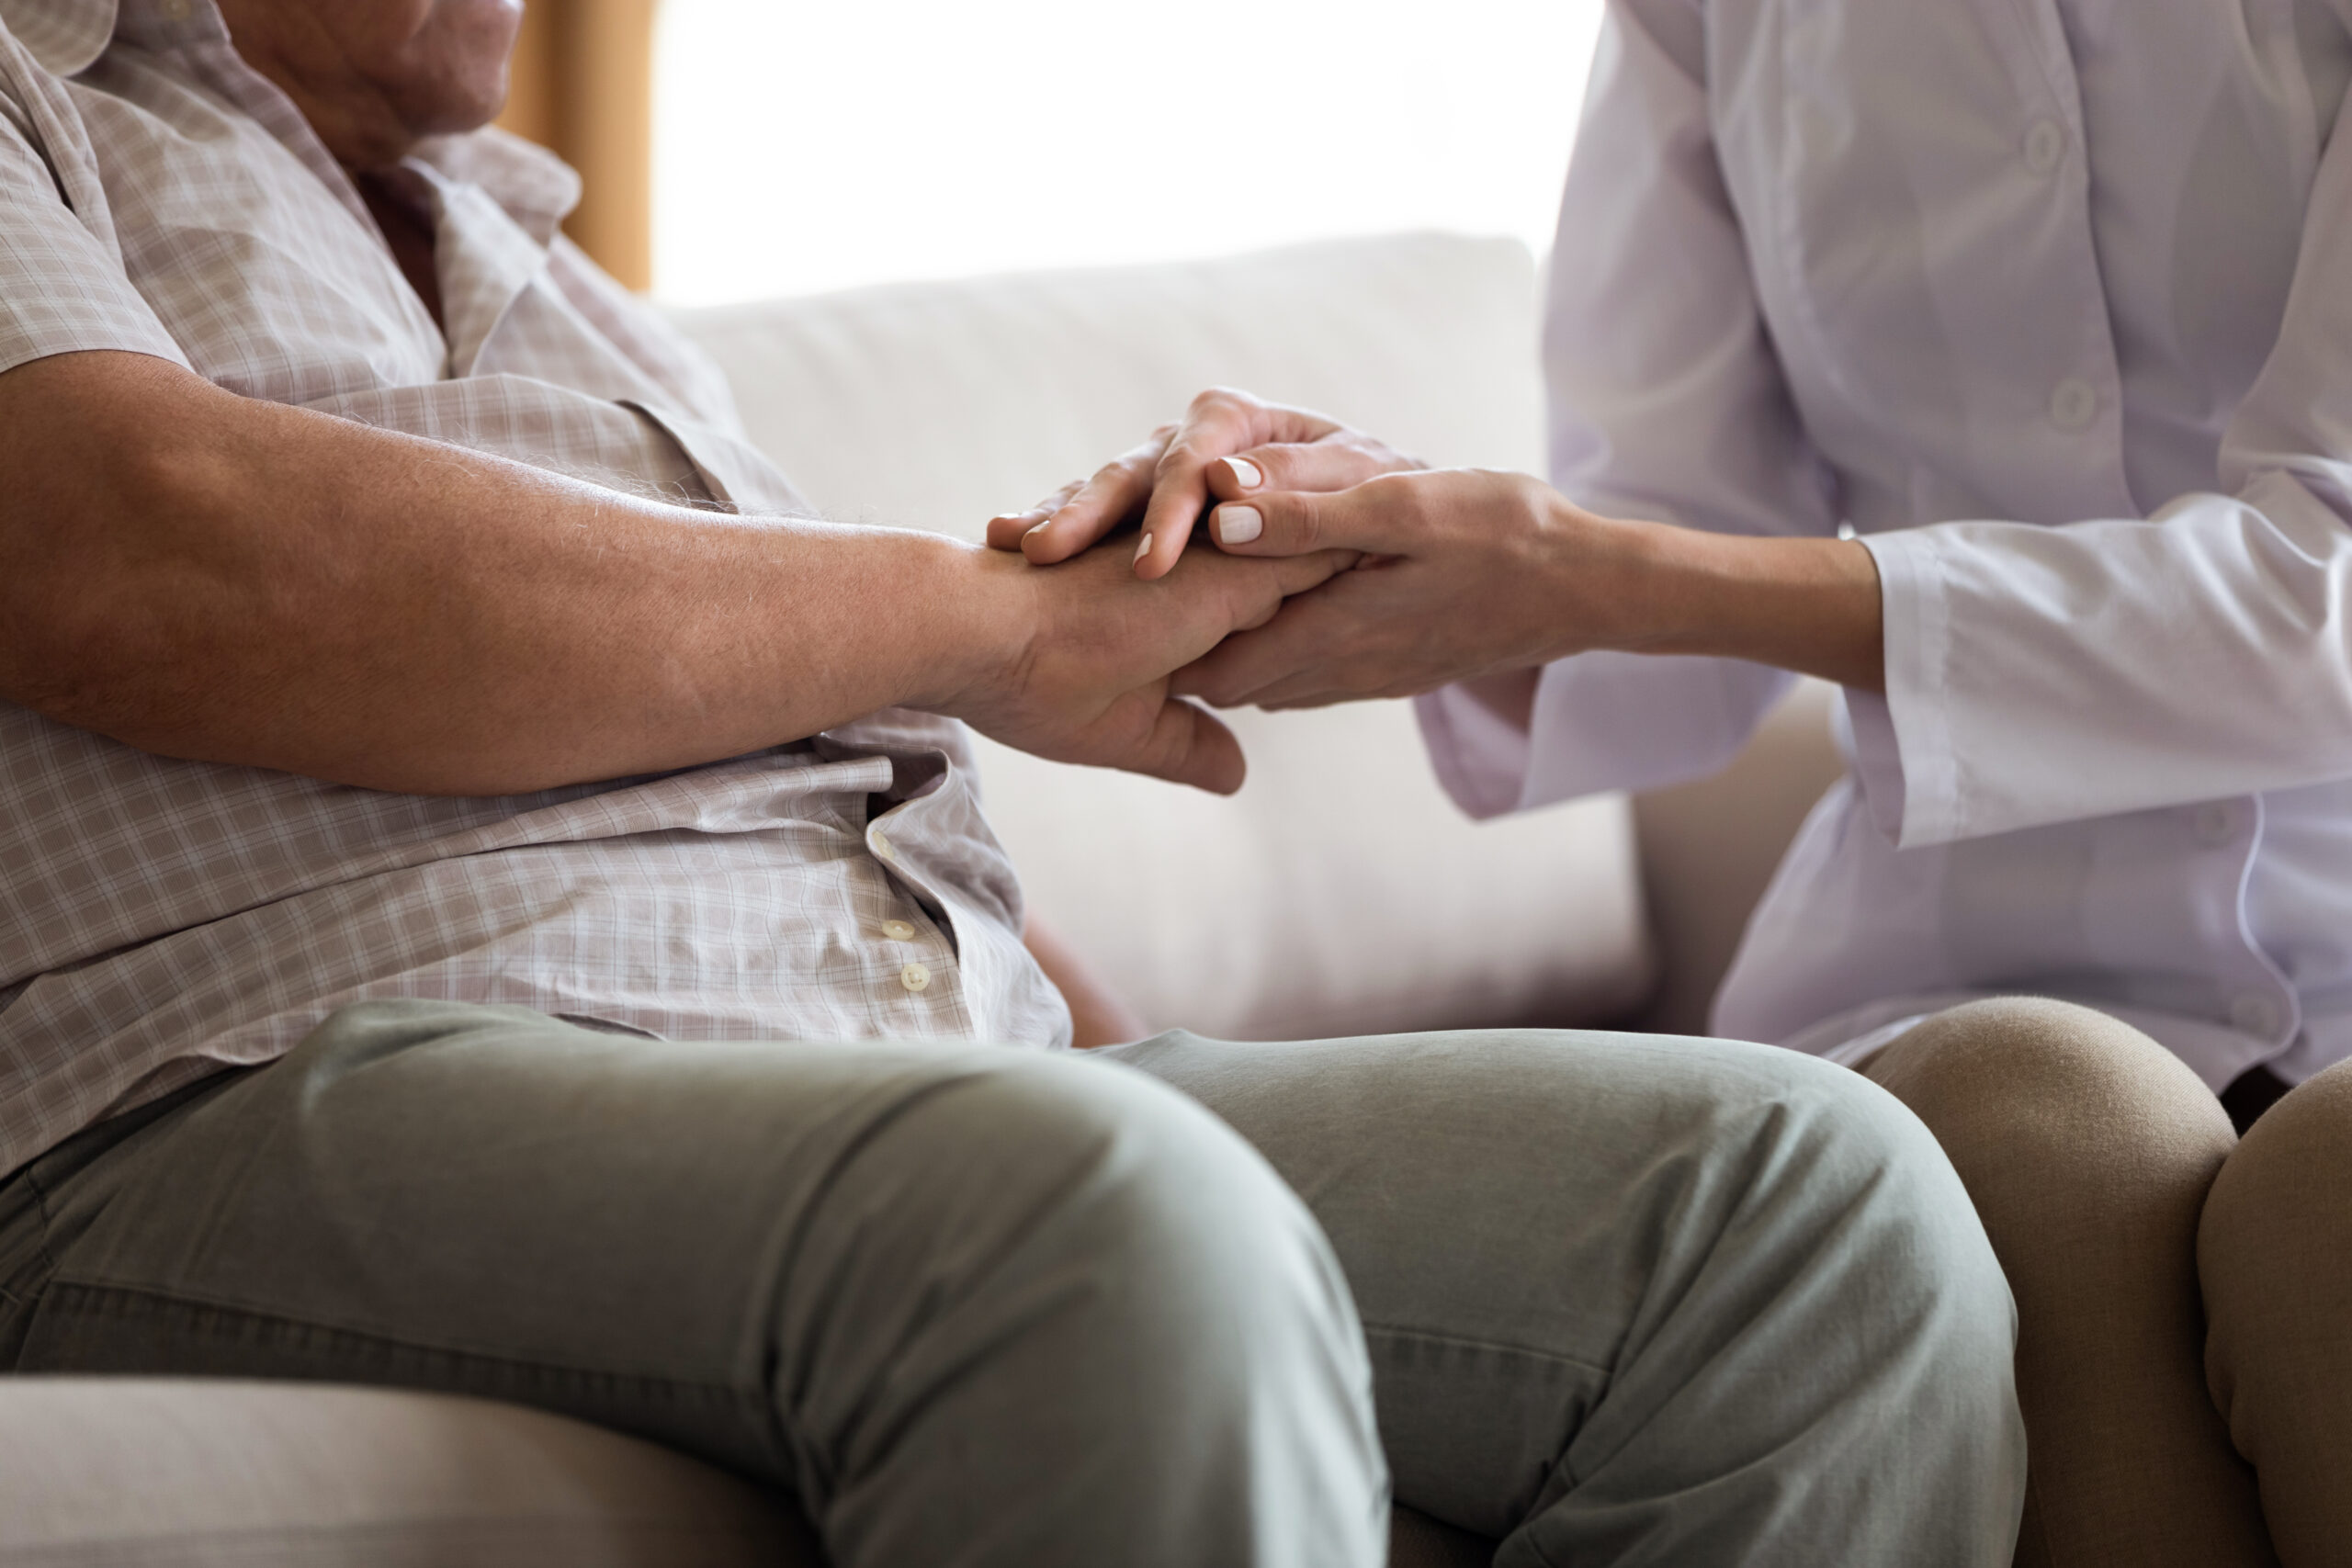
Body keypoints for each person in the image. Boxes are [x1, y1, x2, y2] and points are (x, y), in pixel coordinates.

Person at [0, 0, 2025, 1563]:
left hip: (885, 1082)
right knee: (1104, 1222)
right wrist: (980, 619)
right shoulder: (37, 108)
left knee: (1803, 1214)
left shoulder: (561, 280)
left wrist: (1140, 1009)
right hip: (251, 1086)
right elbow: (137, 545)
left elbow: (833, 784)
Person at [1001, 0, 2352, 1562]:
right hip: (1960, 970)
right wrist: (1366, 548)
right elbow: (1678, 560)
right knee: (2046, 1136)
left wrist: (1594, 571)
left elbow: (2324, 602)